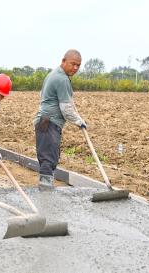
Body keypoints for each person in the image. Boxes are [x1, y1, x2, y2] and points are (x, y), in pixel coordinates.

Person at [34, 49, 86, 191]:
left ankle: (47, 189)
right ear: (63, 61)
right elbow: (66, 109)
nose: (75, 68)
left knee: (50, 157)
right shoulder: (62, 79)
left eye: (78, 65)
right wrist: (79, 122)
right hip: (48, 122)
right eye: (73, 64)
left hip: (46, 121)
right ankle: (46, 192)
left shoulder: (54, 74)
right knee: (48, 159)